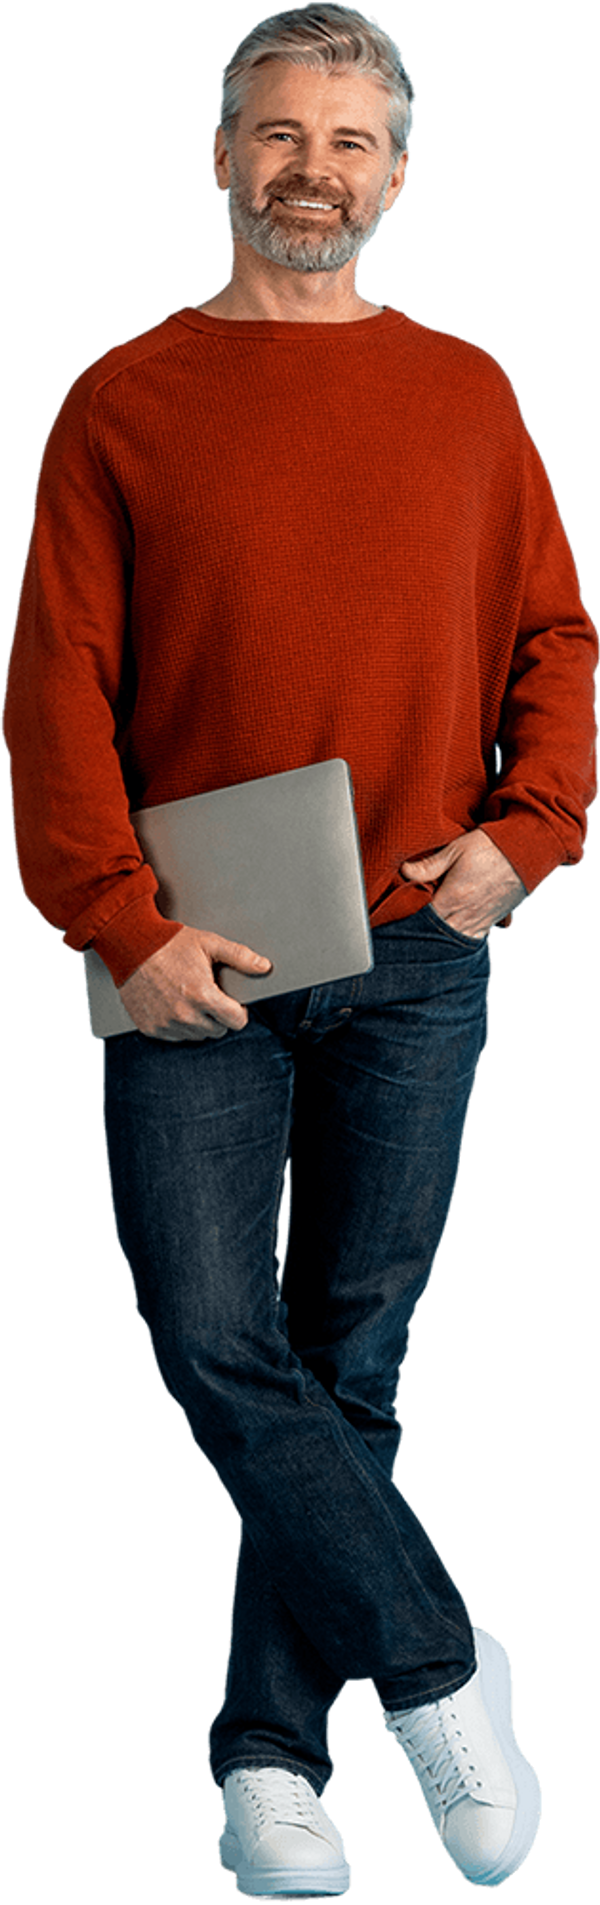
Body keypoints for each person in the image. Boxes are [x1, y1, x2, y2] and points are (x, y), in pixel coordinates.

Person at [4, 4, 597, 1895]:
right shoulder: (121, 399)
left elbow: (557, 640)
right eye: (278, 134)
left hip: (425, 943)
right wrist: (115, 918)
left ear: (400, 173)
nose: (312, 171)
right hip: (198, 956)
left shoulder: (469, 391)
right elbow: (54, 692)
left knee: (351, 1360)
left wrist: (532, 838)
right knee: (210, 1343)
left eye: (349, 141)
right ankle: (441, 1669)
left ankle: (267, 1760)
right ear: (218, 155)